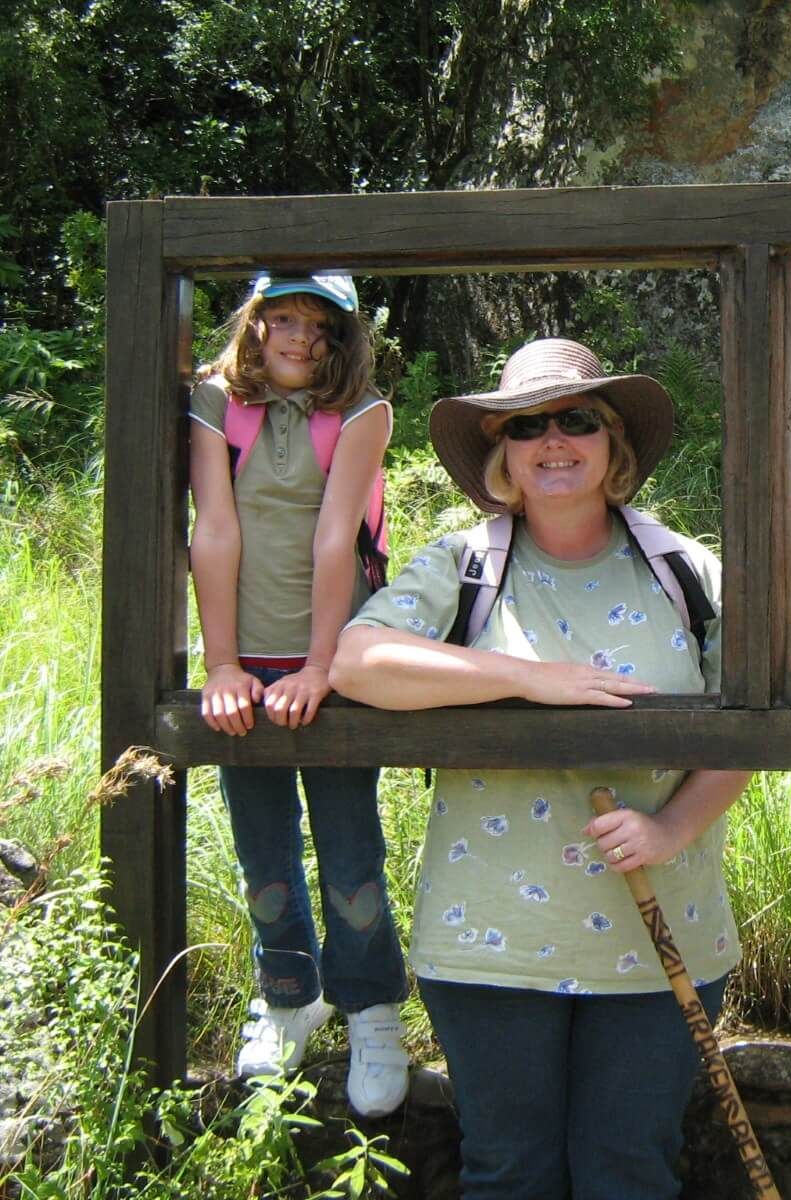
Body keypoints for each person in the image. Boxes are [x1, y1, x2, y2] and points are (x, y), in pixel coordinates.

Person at [331, 337, 749, 1200]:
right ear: (503, 454)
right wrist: (528, 680)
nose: (553, 441)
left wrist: (671, 828)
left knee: (628, 1172)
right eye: (527, 425)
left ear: (613, 444)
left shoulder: (687, 569)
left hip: (662, 928)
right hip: (490, 941)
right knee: (508, 1173)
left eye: (577, 420)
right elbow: (358, 662)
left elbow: (744, 729)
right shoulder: (462, 566)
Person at [187, 273, 410, 1117]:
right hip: (243, 658)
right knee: (262, 848)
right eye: (281, 317)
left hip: (337, 656)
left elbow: (332, 539)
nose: (298, 337)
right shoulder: (215, 404)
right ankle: (289, 992)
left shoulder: (361, 414)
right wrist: (220, 665)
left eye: (320, 324)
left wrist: (322, 668)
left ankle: (371, 1002)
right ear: (255, 323)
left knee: (351, 846)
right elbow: (214, 526)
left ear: (342, 339)